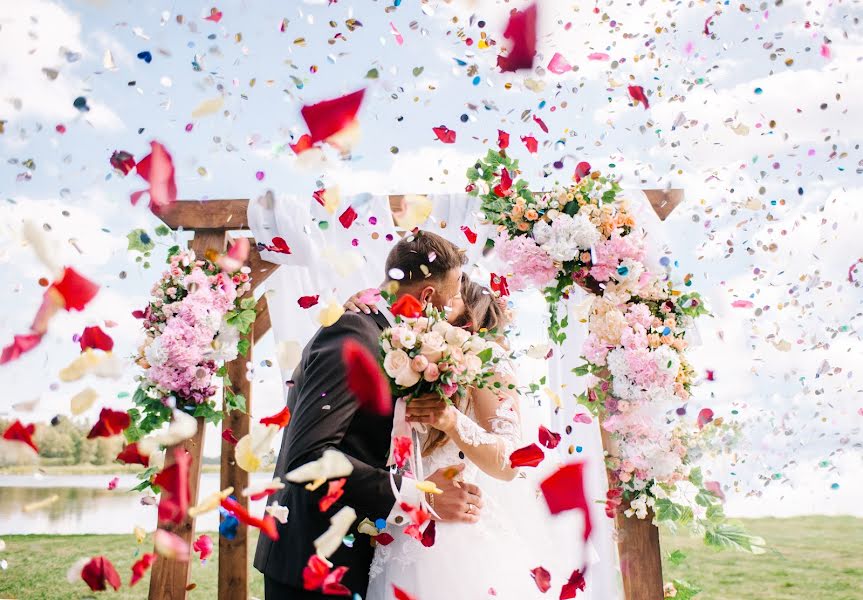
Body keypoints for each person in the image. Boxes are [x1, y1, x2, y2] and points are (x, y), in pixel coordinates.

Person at [254, 231, 486, 599]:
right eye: (455, 294)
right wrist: (420, 497)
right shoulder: (353, 335)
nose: (459, 304)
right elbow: (309, 456)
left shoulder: (381, 335)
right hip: (315, 563)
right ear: (427, 297)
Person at [347, 278, 562, 600]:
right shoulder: (403, 356)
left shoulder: (487, 364)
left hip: (456, 536)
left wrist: (452, 421)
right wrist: (360, 311)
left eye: (452, 296)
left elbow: (511, 463)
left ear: (469, 313)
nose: (432, 299)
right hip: (399, 528)